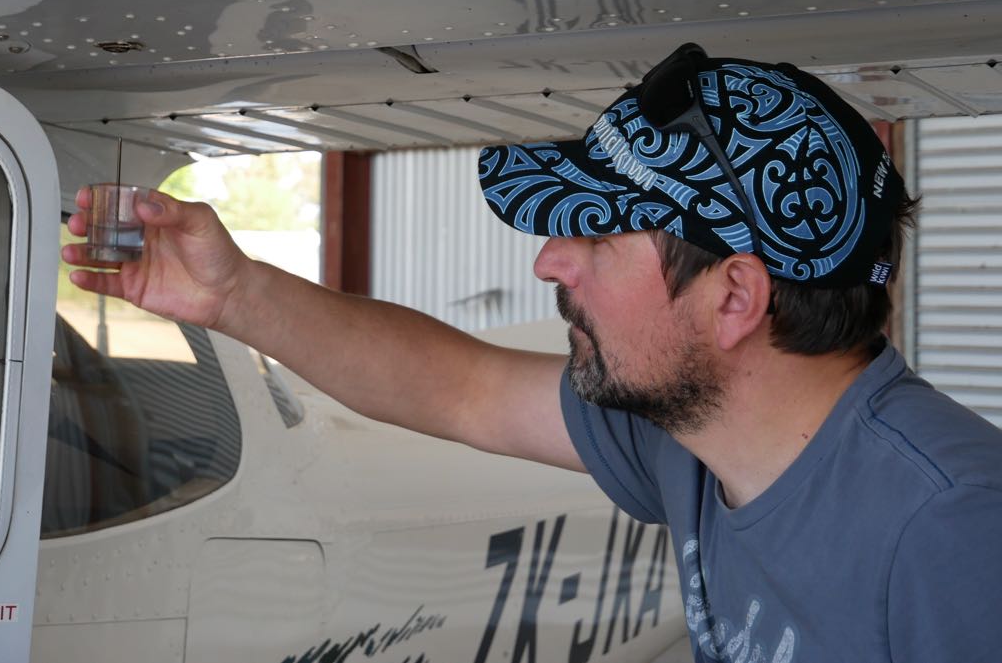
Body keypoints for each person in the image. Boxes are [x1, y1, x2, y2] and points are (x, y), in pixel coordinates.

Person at [63, 42, 1002, 662]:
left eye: (599, 234)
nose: (552, 260)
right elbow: (461, 388)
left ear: (735, 297)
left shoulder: (953, 530)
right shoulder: (692, 436)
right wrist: (232, 294)